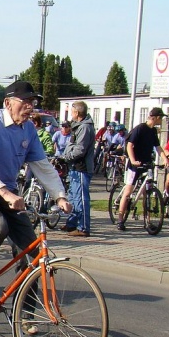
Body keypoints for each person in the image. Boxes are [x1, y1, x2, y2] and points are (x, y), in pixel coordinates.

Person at [0, 80, 71, 311]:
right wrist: (3, 191)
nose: (30, 107)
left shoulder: (29, 129)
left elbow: (42, 166)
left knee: (30, 251)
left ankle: (26, 313)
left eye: (32, 102)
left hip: (8, 190)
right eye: (25, 101)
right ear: (8, 102)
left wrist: (60, 196)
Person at [116, 107, 166, 231]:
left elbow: (158, 147)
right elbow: (129, 146)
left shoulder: (153, 131)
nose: (162, 120)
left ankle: (147, 221)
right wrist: (133, 160)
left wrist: (165, 159)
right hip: (135, 164)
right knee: (128, 192)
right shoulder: (140, 128)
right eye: (161, 118)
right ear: (156, 117)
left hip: (146, 163)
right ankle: (120, 220)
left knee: (146, 192)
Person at [60, 101, 95, 237]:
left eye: (71, 111)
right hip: (74, 166)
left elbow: (80, 149)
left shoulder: (85, 128)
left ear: (77, 113)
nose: (70, 114)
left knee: (81, 198)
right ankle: (72, 224)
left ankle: (83, 228)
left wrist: (66, 157)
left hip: (82, 166)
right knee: (74, 197)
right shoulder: (78, 126)